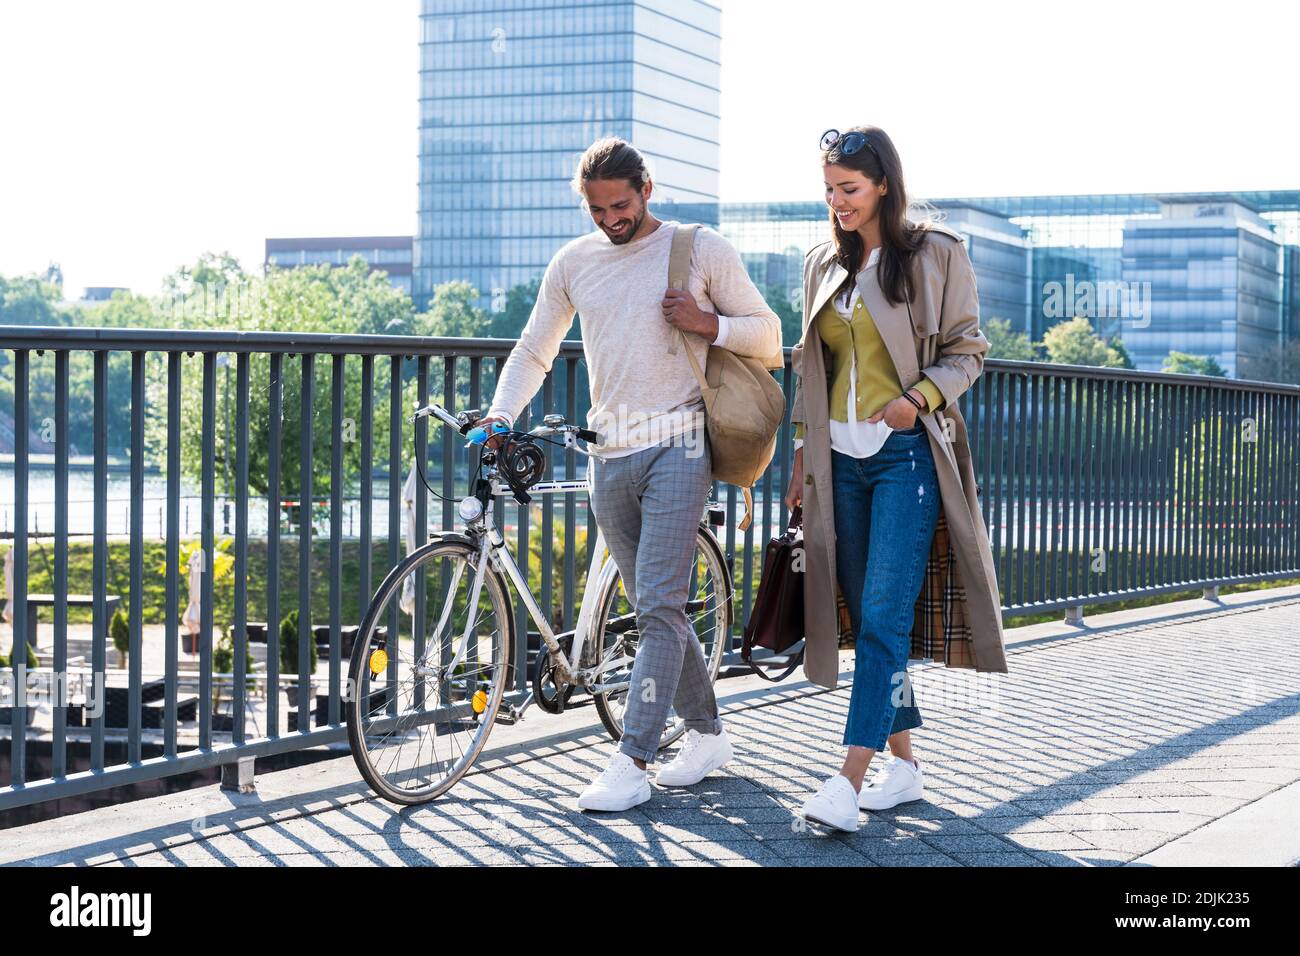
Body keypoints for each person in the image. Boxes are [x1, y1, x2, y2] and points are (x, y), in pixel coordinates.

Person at [477, 137, 782, 812]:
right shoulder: (573, 263)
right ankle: (707, 736)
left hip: (679, 443)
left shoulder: (698, 247)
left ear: (647, 188)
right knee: (660, 612)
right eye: (596, 209)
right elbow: (536, 349)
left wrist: (709, 323)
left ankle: (632, 758)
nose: (610, 219)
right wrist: (501, 416)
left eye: (620, 205)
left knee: (658, 608)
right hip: (606, 457)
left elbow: (769, 333)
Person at [785, 125, 1009, 833]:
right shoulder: (823, 262)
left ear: (884, 184)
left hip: (905, 458)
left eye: (848, 189)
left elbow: (969, 350)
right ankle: (905, 765)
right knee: (862, 612)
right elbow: (811, 369)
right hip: (838, 464)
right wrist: (801, 457)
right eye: (828, 190)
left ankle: (846, 781)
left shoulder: (935, 255)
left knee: (882, 616)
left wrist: (915, 402)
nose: (836, 202)